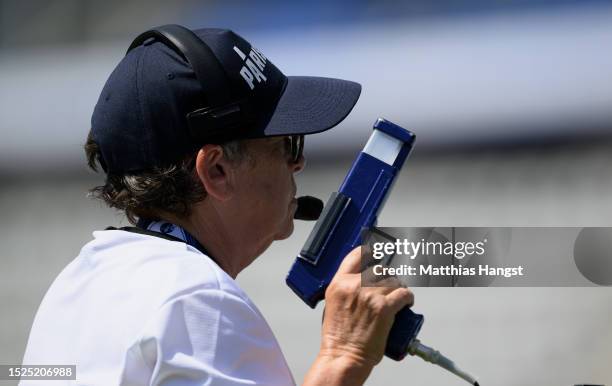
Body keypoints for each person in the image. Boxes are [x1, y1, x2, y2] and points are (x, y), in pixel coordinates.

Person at [21, 25, 414, 386]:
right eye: (287, 144)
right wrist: (344, 355)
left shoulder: (76, 284)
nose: (298, 163)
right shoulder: (198, 299)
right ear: (218, 170)